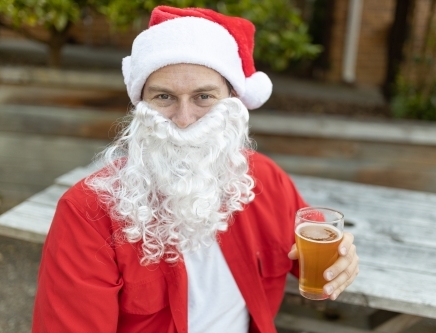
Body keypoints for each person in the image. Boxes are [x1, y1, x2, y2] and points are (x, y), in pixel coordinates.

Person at [32, 6, 359, 333]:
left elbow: (314, 249)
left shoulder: (266, 179)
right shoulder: (86, 213)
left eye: (203, 97)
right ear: (140, 105)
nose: (184, 119)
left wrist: (342, 258)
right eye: (164, 96)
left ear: (233, 100)